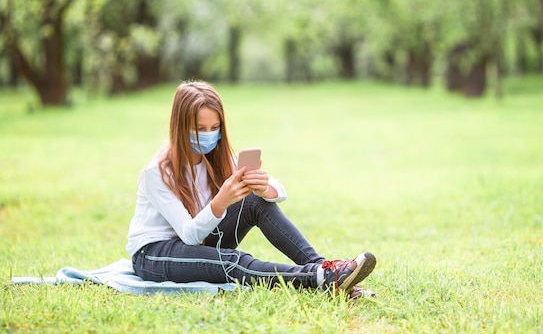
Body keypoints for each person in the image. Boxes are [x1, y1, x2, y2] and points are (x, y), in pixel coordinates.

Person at [126, 81, 376, 297]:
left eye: (215, 129)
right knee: (232, 262)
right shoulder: (157, 172)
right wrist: (221, 202)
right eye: (200, 129)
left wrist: (264, 188)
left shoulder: (216, 156)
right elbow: (188, 235)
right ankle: (318, 279)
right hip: (155, 254)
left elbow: (280, 191)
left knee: (255, 201)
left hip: (198, 242)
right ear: (180, 128)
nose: (209, 136)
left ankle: (327, 270)